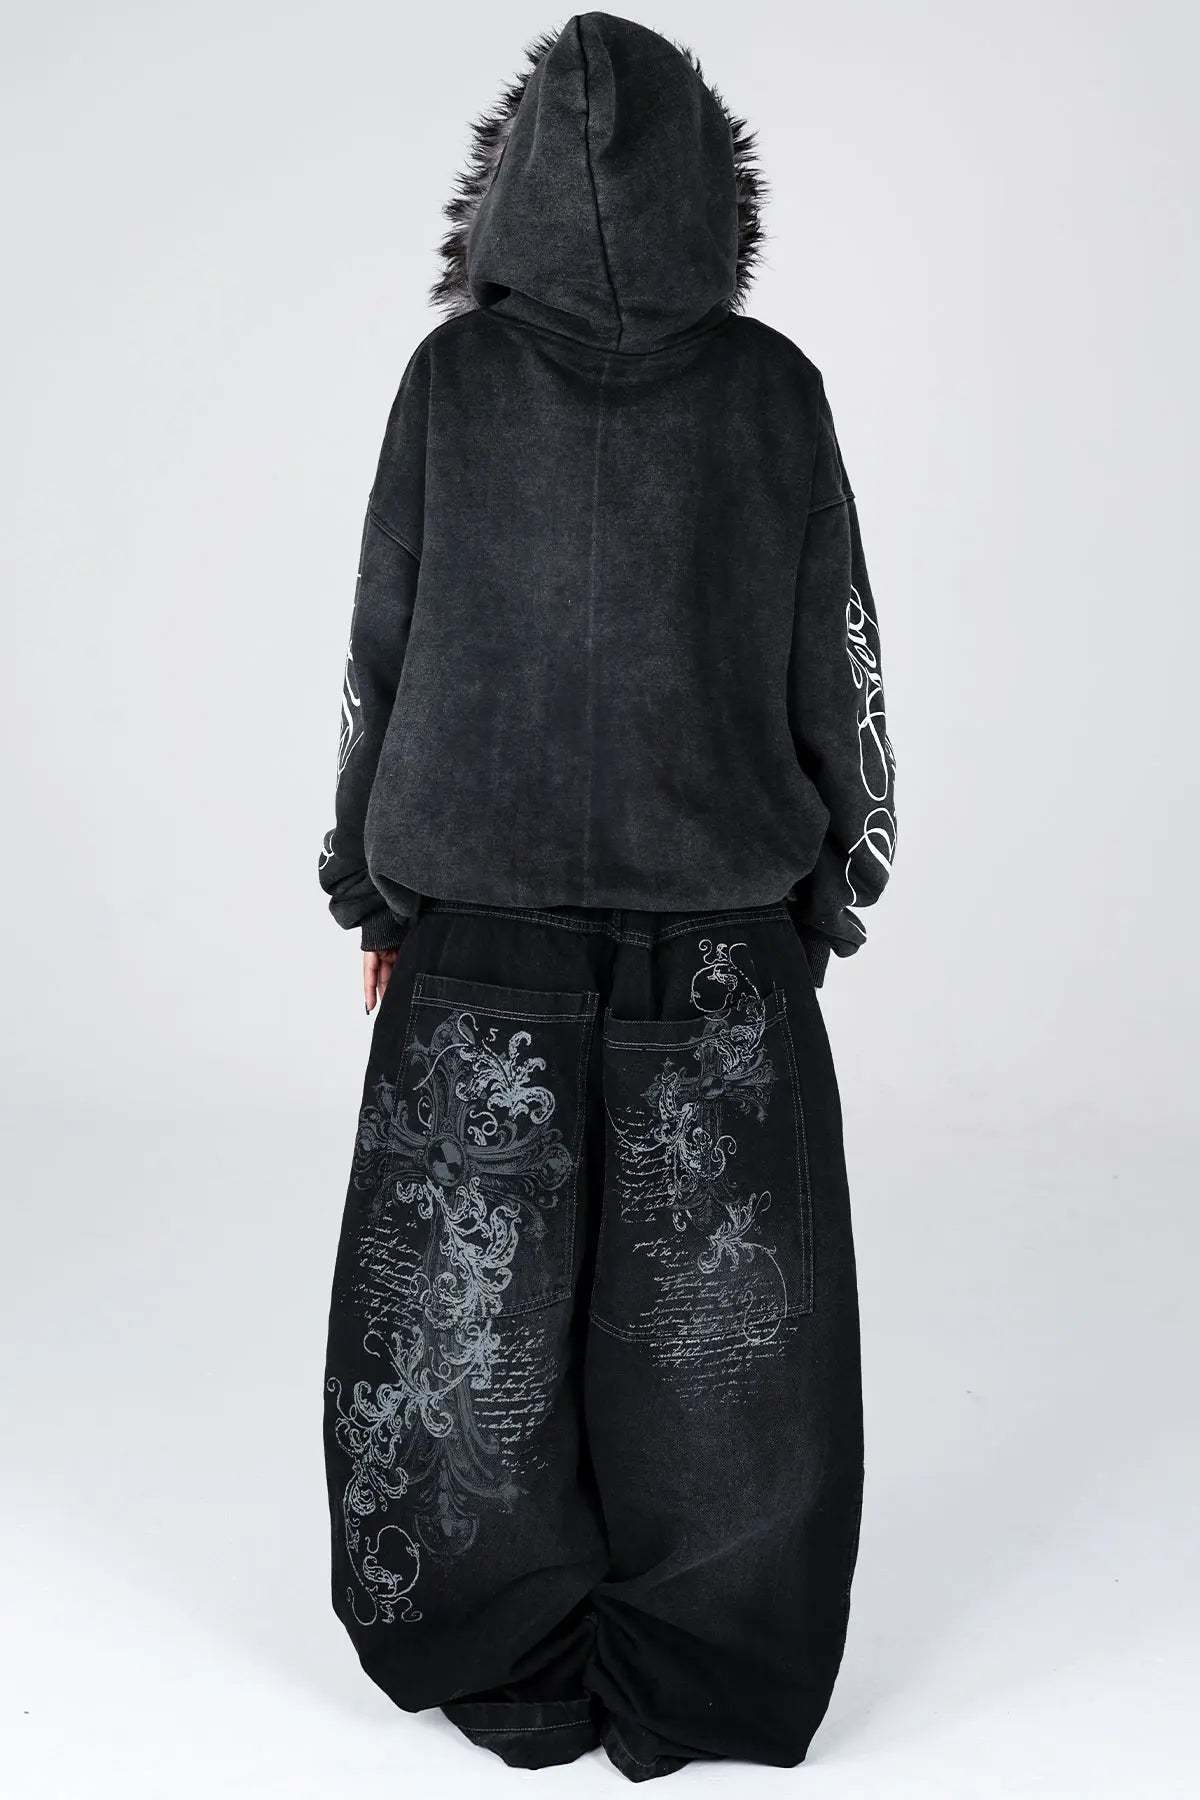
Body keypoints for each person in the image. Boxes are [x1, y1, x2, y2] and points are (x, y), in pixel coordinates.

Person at [318, 13, 895, 1781]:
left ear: (501, 195)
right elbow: (839, 655)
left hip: (476, 923)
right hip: (720, 938)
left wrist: (370, 885)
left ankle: (492, 1651)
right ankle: (708, 1672)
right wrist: (839, 876)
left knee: (462, 1323)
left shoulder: (453, 383)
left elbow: (386, 645)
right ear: (713, 190)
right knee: (727, 1348)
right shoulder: (771, 389)